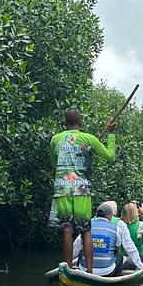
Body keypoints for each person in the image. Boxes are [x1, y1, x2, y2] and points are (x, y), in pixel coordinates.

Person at [50, 108, 116, 273]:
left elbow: (53, 163)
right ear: (80, 123)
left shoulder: (55, 139)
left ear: (65, 124)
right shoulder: (89, 139)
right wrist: (110, 134)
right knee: (85, 230)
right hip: (81, 187)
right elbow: (110, 156)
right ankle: (89, 271)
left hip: (62, 187)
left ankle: (68, 268)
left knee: (67, 229)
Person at [72, 202, 143, 276]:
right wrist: (140, 265)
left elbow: (76, 246)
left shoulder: (86, 227)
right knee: (119, 255)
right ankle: (117, 278)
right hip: (106, 271)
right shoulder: (116, 228)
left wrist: (69, 262)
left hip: (84, 269)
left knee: (82, 251)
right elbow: (129, 247)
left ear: (96, 214)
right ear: (110, 215)